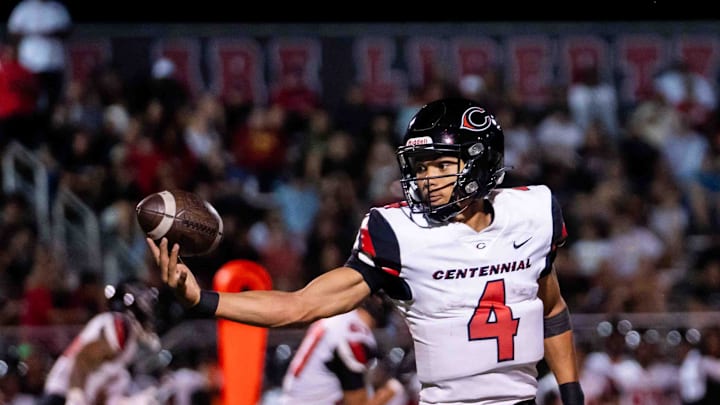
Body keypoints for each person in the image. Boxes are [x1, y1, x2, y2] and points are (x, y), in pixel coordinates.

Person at [147, 97, 585, 405]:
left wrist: (571, 393)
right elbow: (303, 305)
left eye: (440, 165)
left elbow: (550, 308)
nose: (426, 178)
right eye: (421, 166)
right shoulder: (399, 231)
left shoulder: (532, 212)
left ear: (481, 162)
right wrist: (202, 300)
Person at [39, 279, 162, 405]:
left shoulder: (125, 331)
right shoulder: (120, 325)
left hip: (73, 390)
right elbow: (82, 359)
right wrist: (76, 396)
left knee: (123, 378)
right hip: (62, 392)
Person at [278, 294, 407, 405]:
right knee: (396, 393)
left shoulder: (339, 317)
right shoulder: (353, 335)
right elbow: (357, 403)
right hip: (312, 402)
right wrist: (393, 390)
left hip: (297, 398)